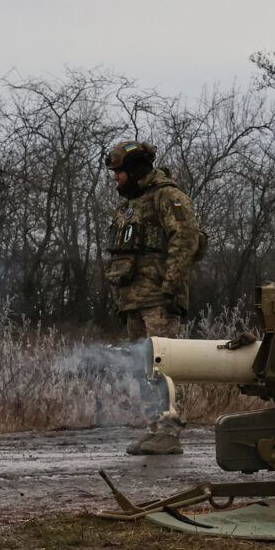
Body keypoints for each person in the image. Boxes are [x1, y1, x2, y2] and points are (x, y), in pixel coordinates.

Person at [103, 140, 202, 456]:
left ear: (133, 170)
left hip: (159, 298)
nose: (115, 178)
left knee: (163, 366)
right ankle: (154, 428)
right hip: (134, 299)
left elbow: (185, 239)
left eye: (118, 172)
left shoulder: (167, 196)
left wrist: (171, 286)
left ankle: (169, 432)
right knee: (141, 367)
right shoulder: (130, 203)